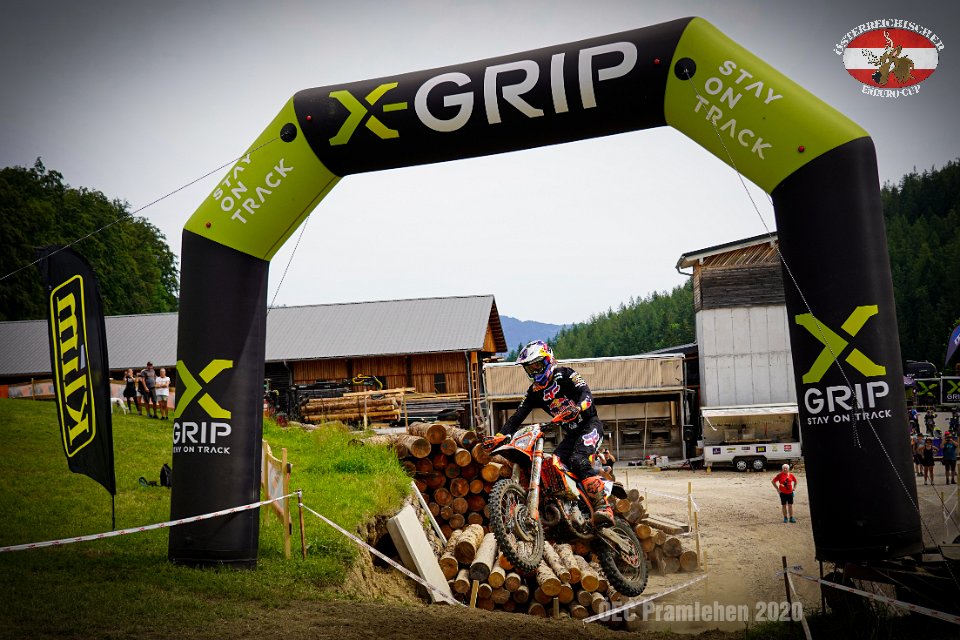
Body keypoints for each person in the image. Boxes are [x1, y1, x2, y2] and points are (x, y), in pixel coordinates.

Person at [483, 341, 613, 527]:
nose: (535, 371)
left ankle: (603, 507)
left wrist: (578, 407)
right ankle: (572, 507)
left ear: (548, 360)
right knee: (552, 466)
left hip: (590, 425)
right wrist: (500, 435)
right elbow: (517, 416)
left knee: (578, 459)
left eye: (537, 365)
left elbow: (586, 394)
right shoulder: (534, 392)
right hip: (571, 434)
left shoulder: (566, 374)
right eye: (530, 368)